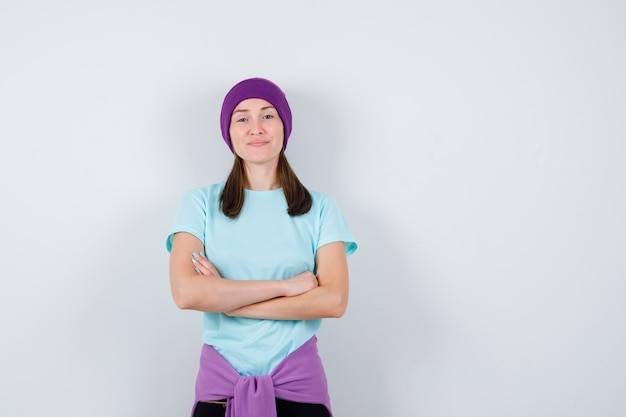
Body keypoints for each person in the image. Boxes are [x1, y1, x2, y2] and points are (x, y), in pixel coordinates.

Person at [166, 77, 357, 417]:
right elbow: (186, 293)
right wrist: (286, 287)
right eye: (242, 118)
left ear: (284, 126)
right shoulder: (198, 204)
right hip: (220, 391)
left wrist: (231, 302)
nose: (256, 128)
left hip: (300, 388)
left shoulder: (322, 208)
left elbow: (334, 300)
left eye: (268, 116)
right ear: (230, 132)